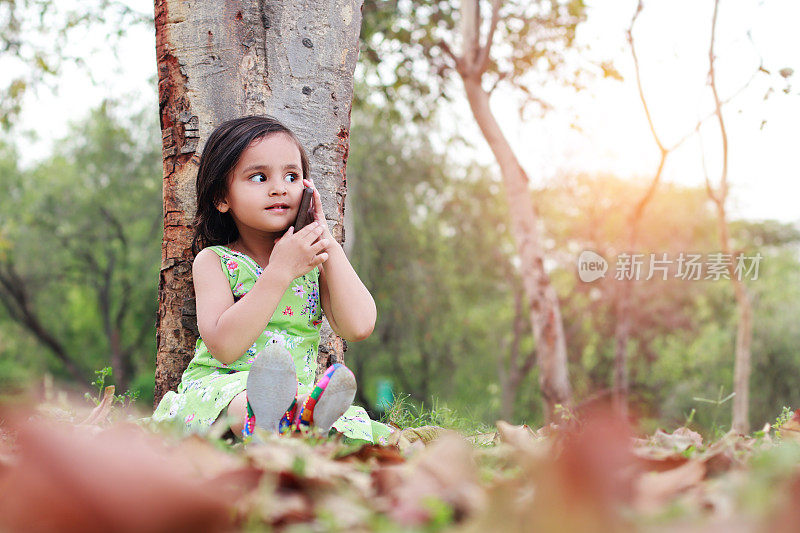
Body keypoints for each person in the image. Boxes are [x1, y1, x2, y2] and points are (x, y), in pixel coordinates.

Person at [152, 115, 392, 444]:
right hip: (229, 385)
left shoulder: (313, 263)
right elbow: (225, 346)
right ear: (222, 197)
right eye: (260, 176)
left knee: (345, 423)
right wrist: (279, 272)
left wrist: (327, 242)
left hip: (297, 393)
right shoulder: (216, 262)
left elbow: (359, 326)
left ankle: (298, 426)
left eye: (292, 176)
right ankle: (275, 425)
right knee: (242, 404)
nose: (279, 187)